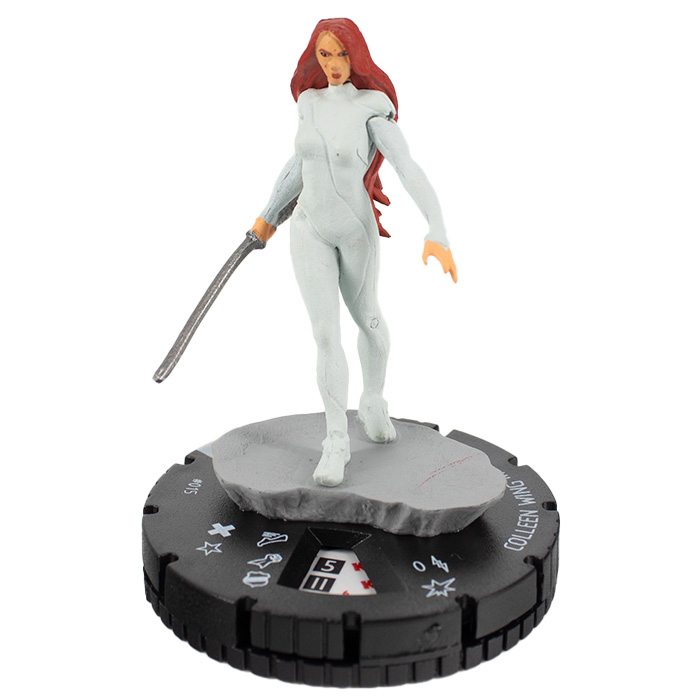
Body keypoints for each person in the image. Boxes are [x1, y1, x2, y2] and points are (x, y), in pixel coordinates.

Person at [251, 18, 457, 487]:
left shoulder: (371, 106)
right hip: (308, 227)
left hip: (354, 231)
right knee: (326, 335)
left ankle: (373, 400)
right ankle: (336, 439)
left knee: (369, 320)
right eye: (324, 55)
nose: (333, 64)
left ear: (356, 55)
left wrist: (437, 229)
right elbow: (300, 163)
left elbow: (406, 166)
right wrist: (268, 214)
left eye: (341, 54)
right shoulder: (308, 102)